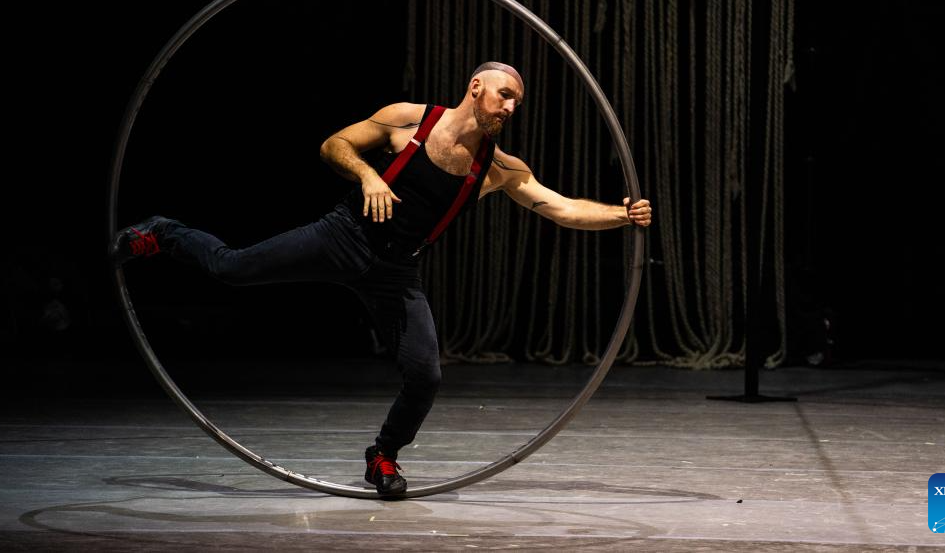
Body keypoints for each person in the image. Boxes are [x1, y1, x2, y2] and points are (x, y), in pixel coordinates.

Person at [110, 61, 652, 497]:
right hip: (342, 236)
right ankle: (163, 233)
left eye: (517, 103)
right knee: (231, 267)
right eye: (505, 95)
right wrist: (369, 176)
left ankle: (383, 455)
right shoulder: (407, 121)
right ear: (476, 88)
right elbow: (334, 145)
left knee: (426, 375)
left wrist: (621, 215)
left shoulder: (497, 168)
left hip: (396, 271)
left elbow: (560, 208)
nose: (510, 108)